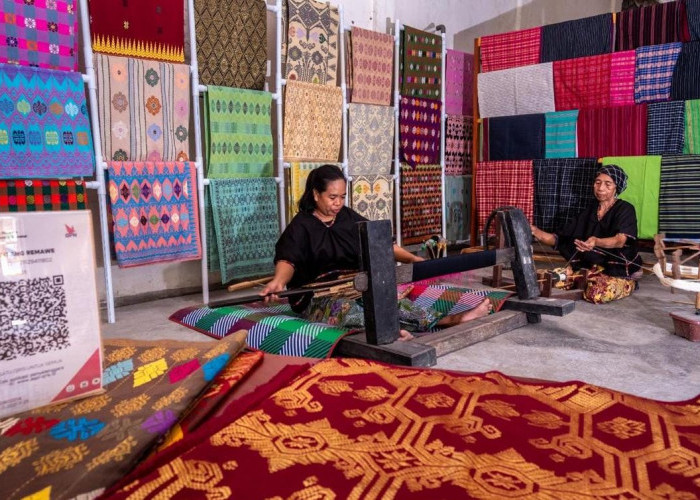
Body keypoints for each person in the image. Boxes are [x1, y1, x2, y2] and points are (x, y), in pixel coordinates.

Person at [261, 164, 492, 336]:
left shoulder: (347, 217)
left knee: (389, 301)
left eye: (342, 197)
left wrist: (413, 260)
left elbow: (380, 243)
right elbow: (288, 259)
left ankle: (451, 320)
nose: (338, 203)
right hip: (319, 297)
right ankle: (394, 332)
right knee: (350, 311)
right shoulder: (302, 225)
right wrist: (278, 282)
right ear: (315, 194)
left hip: (354, 286)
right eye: (332, 197)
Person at [530, 164, 643, 304]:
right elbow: (559, 238)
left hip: (616, 269)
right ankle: (587, 279)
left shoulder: (625, 209)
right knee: (543, 280)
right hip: (590, 266)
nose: (600, 188)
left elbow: (620, 240)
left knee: (595, 294)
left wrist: (596, 241)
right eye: (597, 182)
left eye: (608, 184)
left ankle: (630, 284)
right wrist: (534, 230)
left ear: (616, 187)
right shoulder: (588, 210)